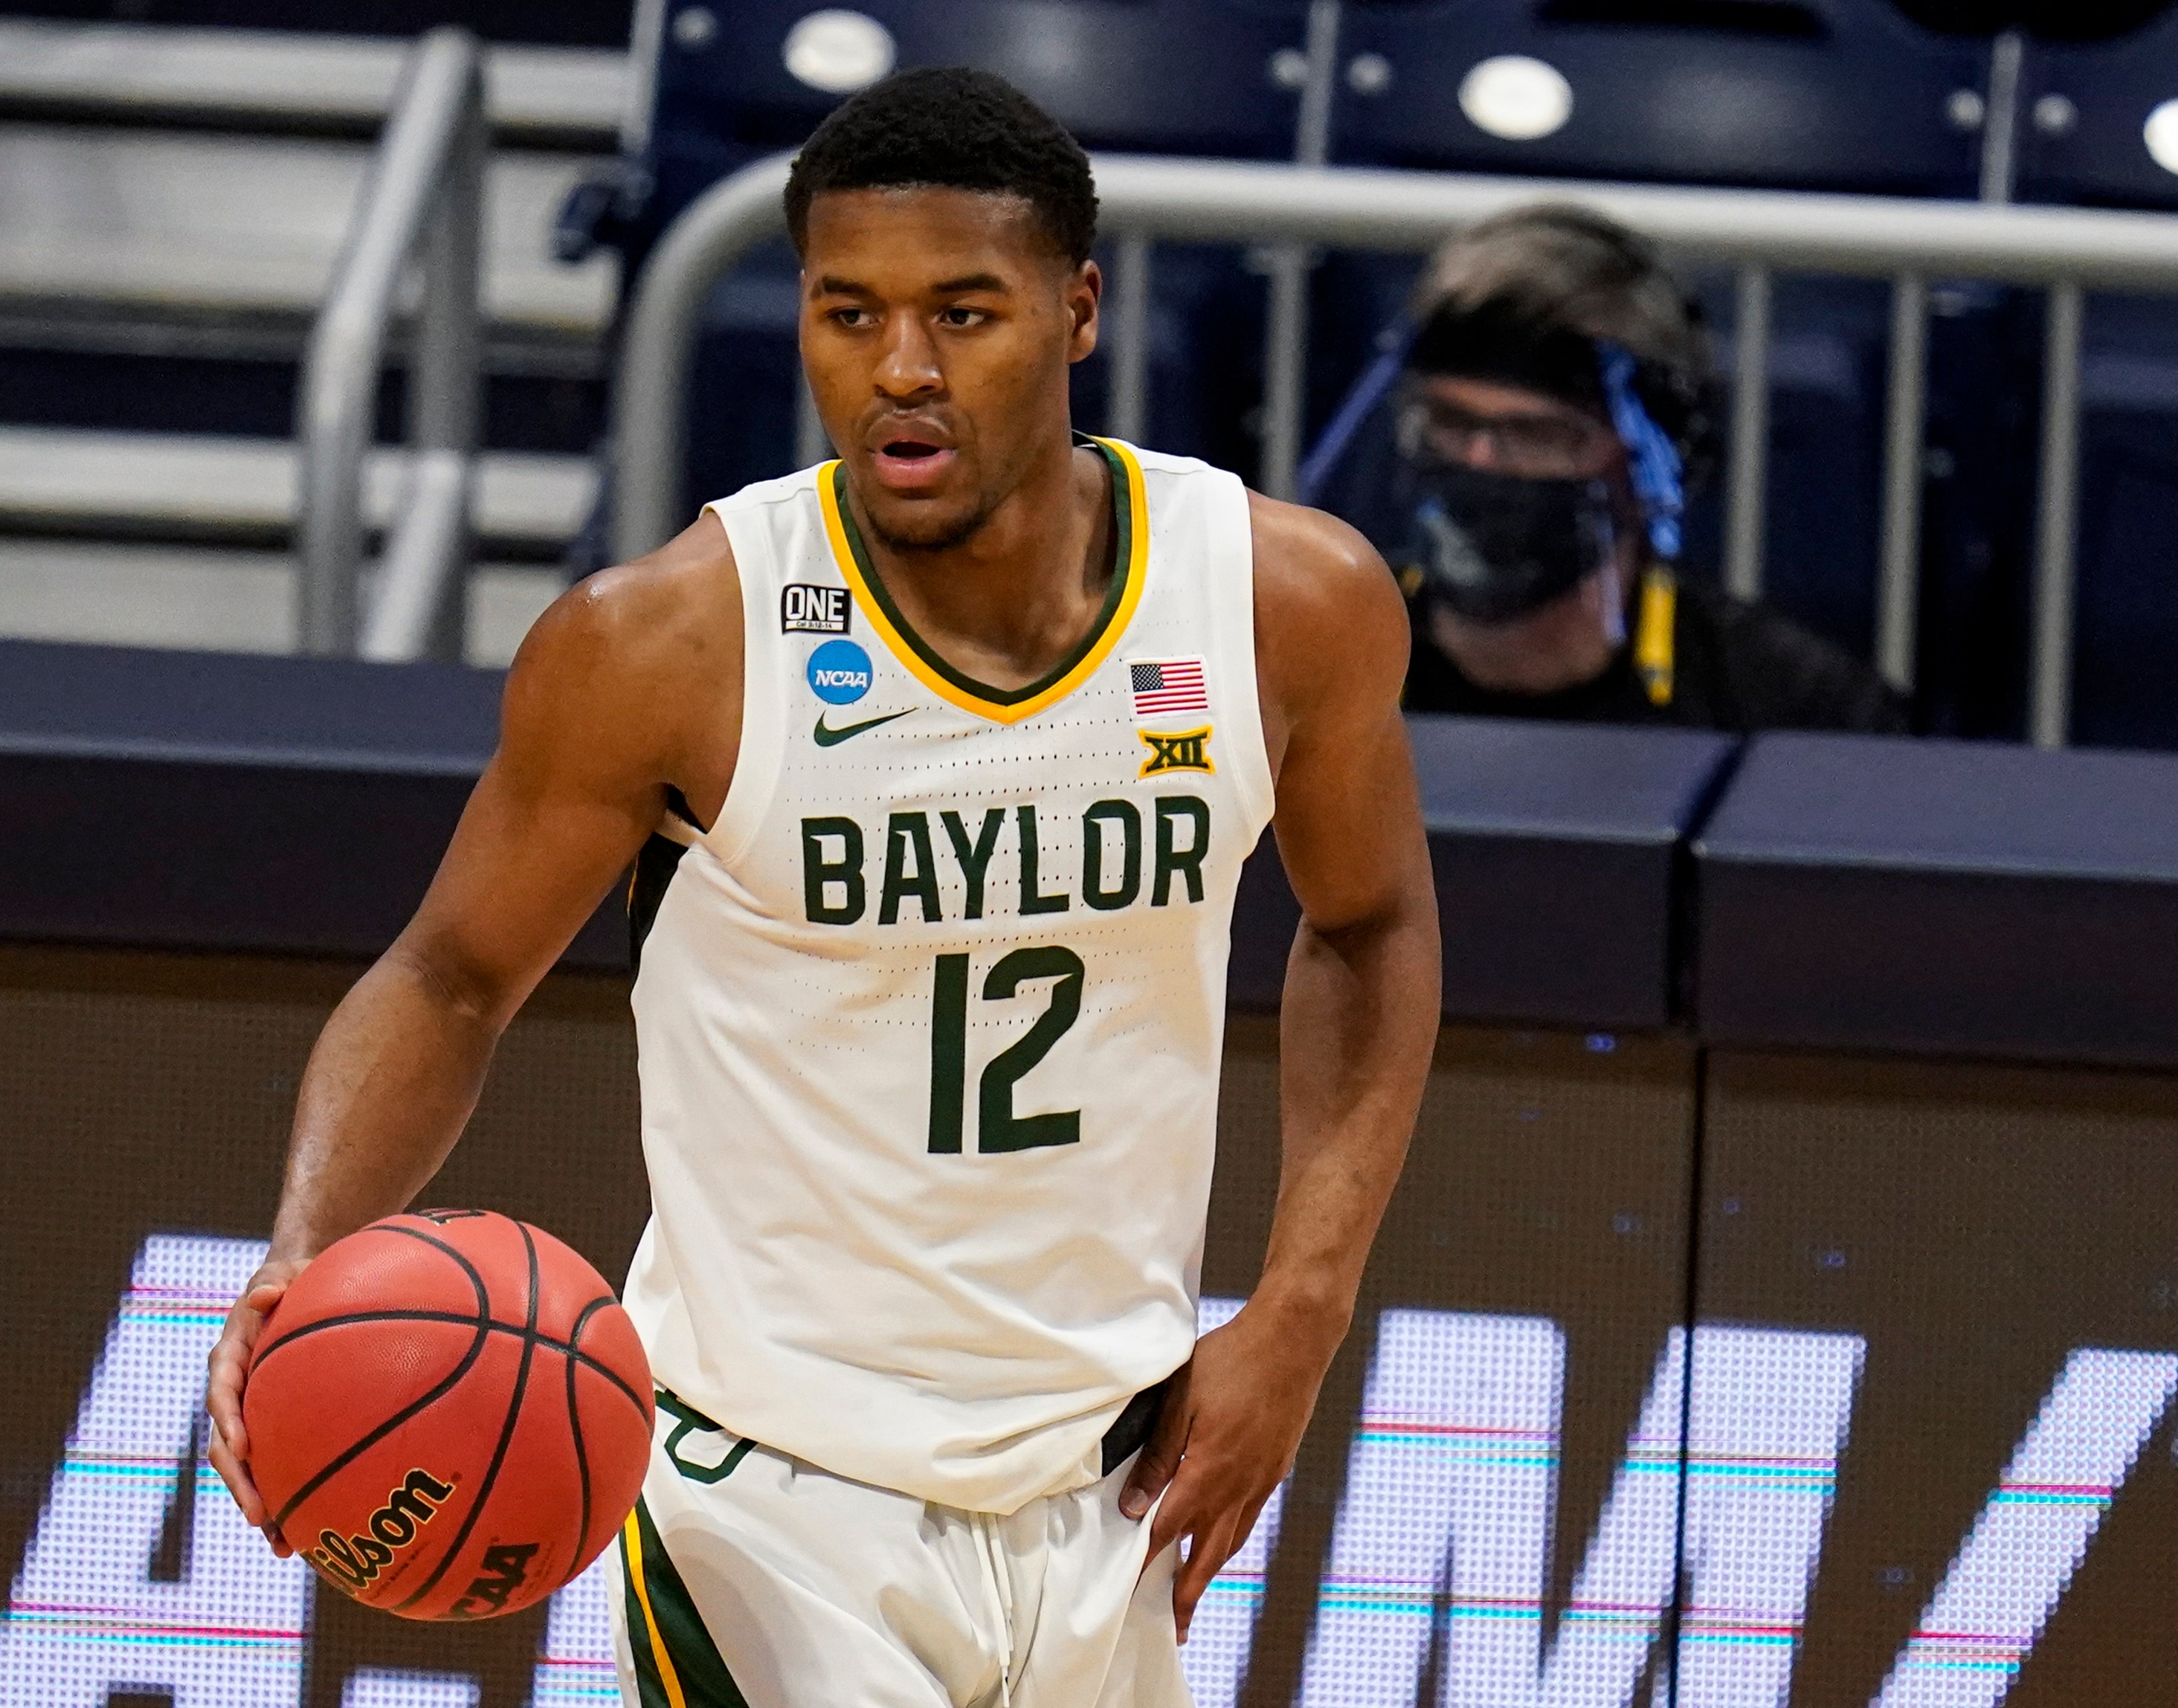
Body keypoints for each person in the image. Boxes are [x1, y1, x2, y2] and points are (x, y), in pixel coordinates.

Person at [202, 65, 1443, 1708]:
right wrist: (306, 1244)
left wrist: (1298, 1305)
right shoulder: (666, 642)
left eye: (963, 312)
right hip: (764, 1500)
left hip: (1117, 1485)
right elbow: (449, 972)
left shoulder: (1283, 599)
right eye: (846, 313)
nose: (899, 371)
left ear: (1077, 312)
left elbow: (1368, 923)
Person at [1309, 204, 1907, 733]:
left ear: (1657, 459)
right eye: (1450, 422)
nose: (1479, 461)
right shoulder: (1299, 669)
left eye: (1538, 435)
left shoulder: (1800, 717)